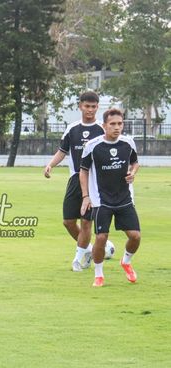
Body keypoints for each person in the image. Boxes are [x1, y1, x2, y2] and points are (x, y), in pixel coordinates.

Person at [44, 91, 105, 271]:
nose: (90, 110)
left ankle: (78, 260)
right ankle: (90, 250)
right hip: (74, 178)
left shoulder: (102, 129)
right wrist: (50, 165)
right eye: (87, 106)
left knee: (86, 222)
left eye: (93, 107)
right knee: (68, 221)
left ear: (97, 107)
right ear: (80, 106)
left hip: (94, 182)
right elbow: (63, 151)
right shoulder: (72, 129)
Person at [79, 108, 140, 287]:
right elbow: (83, 171)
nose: (116, 127)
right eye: (112, 124)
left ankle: (126, 262)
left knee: (135, 236)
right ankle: (99, 274)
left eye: (119, 124)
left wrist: (133, 172)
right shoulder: (93, 146)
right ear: (104, 125)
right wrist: (85, 196)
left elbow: (135, 162)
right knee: (101, 238)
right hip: (101, 199)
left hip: (125, 198)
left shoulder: (128, 143)